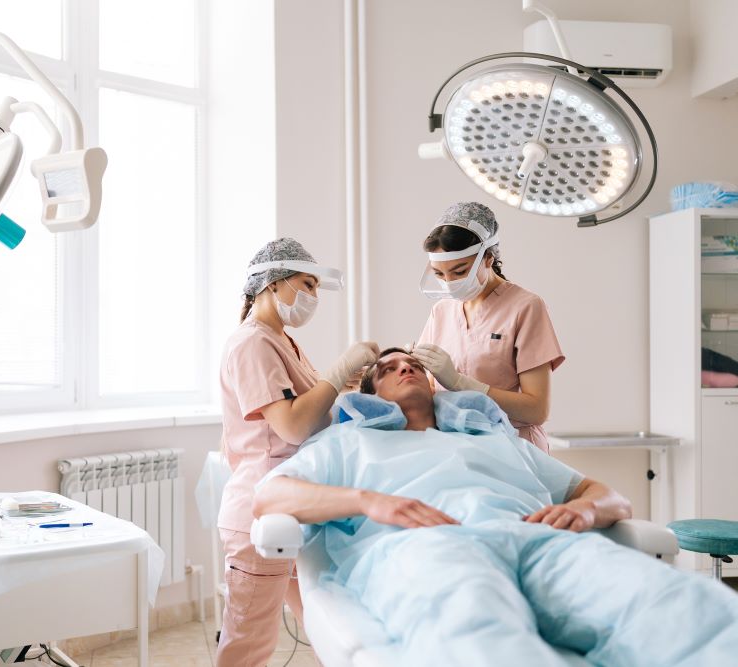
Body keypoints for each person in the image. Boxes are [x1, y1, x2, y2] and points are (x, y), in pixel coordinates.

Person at [254, 348, 738, 665]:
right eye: (387, 369)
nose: (405, 368)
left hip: (535, 539)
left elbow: (609, 495)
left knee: (682, 606)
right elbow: (269, 497)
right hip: (424, 548)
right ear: (370, 396)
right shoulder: (347, 442)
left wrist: (589, 512)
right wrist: (368, 501)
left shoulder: (492, 438)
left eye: (413, 365)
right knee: (476, 628)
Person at [216, 237, 379, 666]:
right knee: (247, 644)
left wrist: (342, 384)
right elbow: (290, 425)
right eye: (307, 285)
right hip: (261, 511)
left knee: (329, 630)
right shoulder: (252, 342)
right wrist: (339, 370)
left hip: (294, 507)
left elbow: (303, 404)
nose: (312, 297)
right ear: (273, 283)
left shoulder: (280, 339)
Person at [410, 202, 563, 451]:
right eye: (439, 274)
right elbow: (427, 390)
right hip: (457, 449)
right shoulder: (442, 310)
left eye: (460, 271)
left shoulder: (525, 307)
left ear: (489, 258)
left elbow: (537, 410)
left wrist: (461, 384)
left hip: (514, 448)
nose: (449, 284)